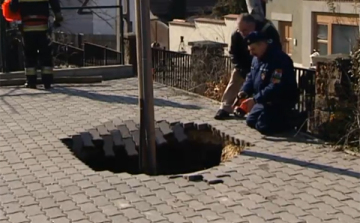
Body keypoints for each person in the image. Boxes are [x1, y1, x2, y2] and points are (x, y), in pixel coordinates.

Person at [214, 13, 281, 120]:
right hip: (244, 65)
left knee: (263, 85)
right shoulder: (237, 35)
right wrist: (240, 68)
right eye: (240, 30)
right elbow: (233, 53)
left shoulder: (267, 31)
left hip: (265, 64)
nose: (242, 33)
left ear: (253, 25)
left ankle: (254, 109)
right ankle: (226, 107)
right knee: (235, 78)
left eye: (245, 30)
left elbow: (276, 50)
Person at [239, 31, 298, 135]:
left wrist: (255, 99)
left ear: (262, 45)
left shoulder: (279, 60)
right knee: (250, 121)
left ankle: (289, 120)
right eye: (250, 50)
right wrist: (244, 91)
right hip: (264, 101)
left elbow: (276, 85)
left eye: (253, 49)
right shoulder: (256, 59)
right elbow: (251, 77)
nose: (251, 53)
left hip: (279, 101)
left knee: (263, 127)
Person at [9, 0, 63, 89]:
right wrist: (58, 16)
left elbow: (13, 8)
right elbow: (54, 3)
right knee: (45, 55)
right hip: (43, 28)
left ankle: (31, 82)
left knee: (29, 55)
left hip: (27, 29)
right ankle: (47, 82)